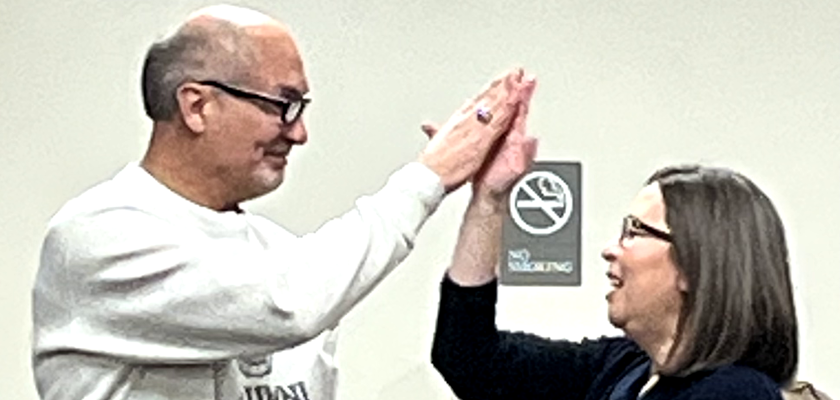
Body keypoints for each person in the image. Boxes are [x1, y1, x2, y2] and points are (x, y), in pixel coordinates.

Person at [31, 4, 535, 400]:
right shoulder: (99, 235)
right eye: (283, 105)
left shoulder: (277, 253)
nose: (299, 133)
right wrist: (428, 177)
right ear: (197, 105)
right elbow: (289, 304)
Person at [431, 158, 800, 397]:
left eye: (634, 232)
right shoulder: (626, 366)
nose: (610, 249)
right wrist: (490, 201)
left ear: (694, 265)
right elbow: (468, 358)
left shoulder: (735, 391)